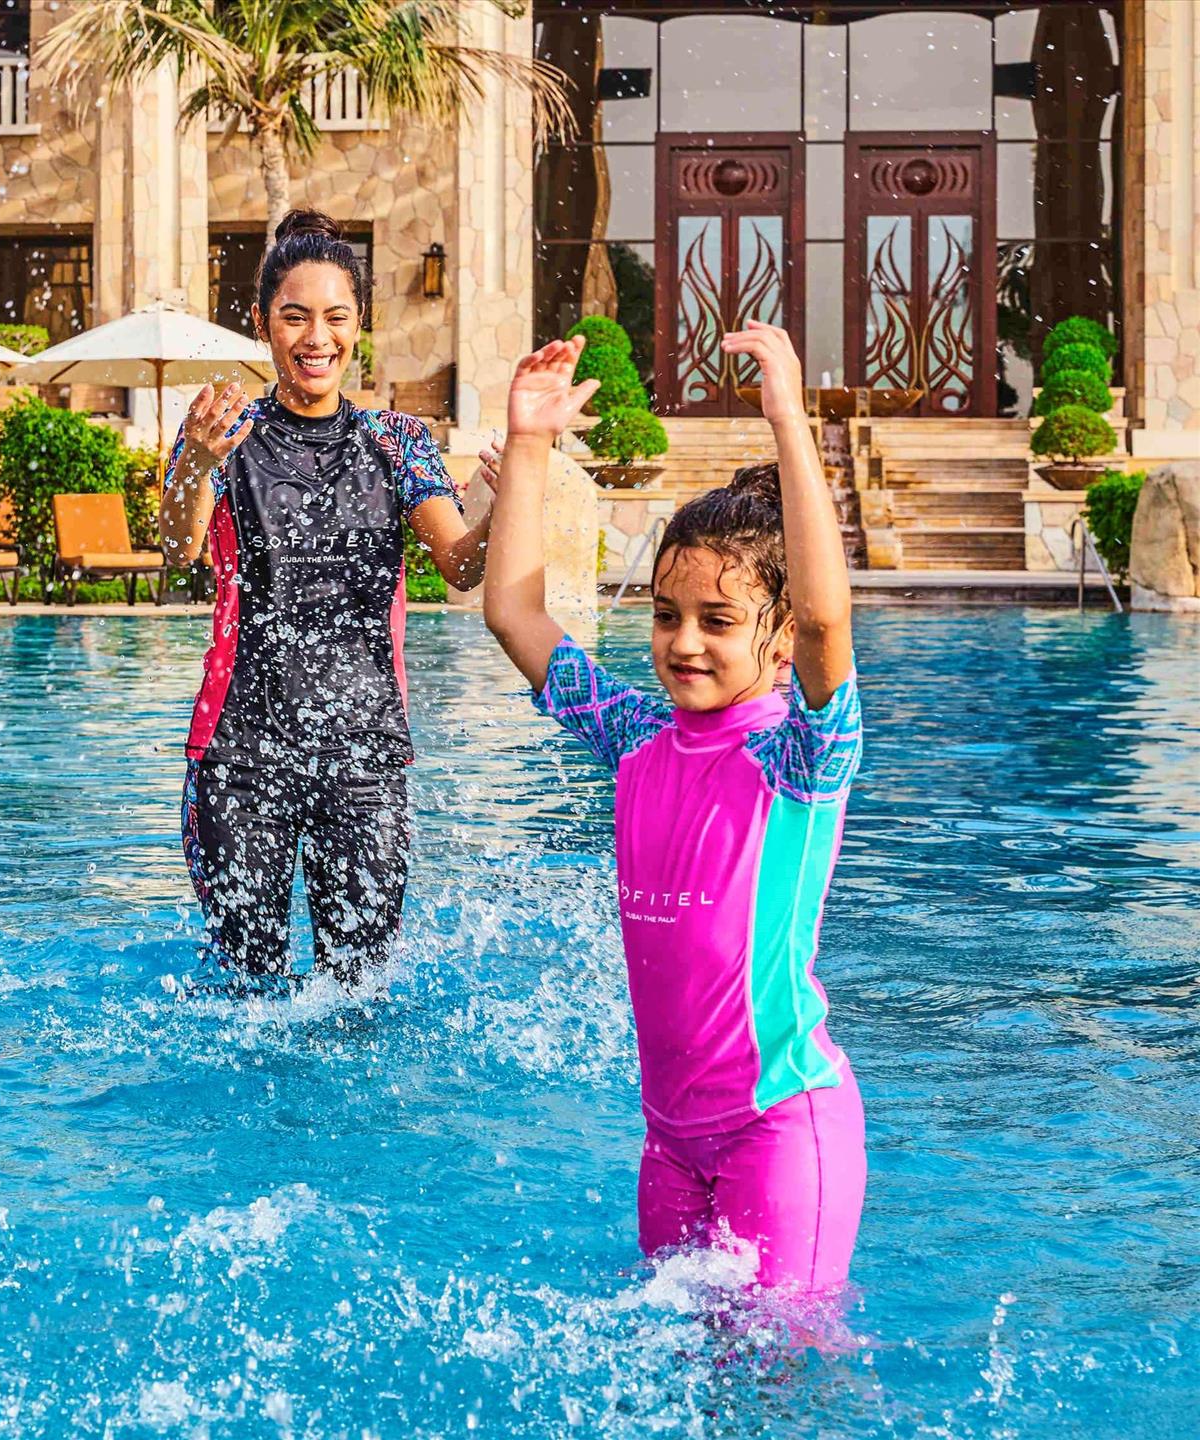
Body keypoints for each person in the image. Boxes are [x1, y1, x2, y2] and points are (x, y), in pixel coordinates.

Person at [481, 323, 867, 1295]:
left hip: (781, 1129)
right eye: (666, 615)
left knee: (778, 1364)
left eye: (717, 621)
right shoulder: (637, 738)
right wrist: (527, 444)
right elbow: (514, 616)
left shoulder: (800, 759)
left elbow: (829, 617)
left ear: (780, 640)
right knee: (683, 1356)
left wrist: (789, 420)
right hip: (669, 1145)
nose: (684, 641)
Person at [159, 209, 494, 987]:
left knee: (362, 988)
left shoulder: (397, 441)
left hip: (366, 754)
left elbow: (460, 566)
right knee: (246, 985)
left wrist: (503, 502)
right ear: (262, 324)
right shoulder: (223, 432)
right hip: (240, 754)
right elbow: (177, 549)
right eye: (295, 317)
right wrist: (195, 466)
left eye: (336, 318)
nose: (317, 338)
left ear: (359, 324)